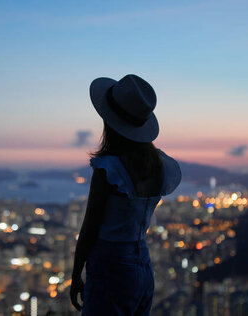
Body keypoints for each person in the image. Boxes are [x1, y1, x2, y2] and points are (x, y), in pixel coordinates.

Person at [70, 74, 181, 315]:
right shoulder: (159, 166)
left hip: (111, 269)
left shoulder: (109, 169)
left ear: (110, 121)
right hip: (142, 267)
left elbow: (89, 228)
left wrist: (76, 274)